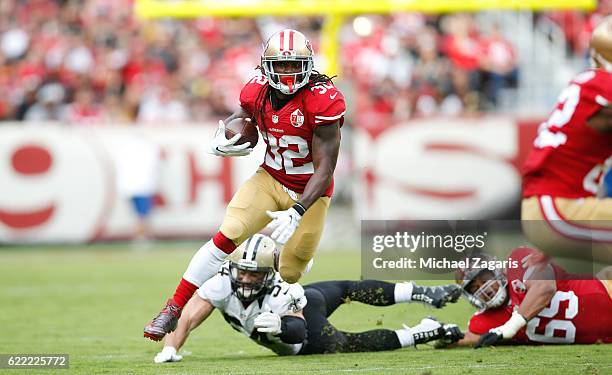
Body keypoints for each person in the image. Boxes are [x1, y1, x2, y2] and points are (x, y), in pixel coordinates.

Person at [144, 29, 347, 341]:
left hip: (311, 191)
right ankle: (172, 307)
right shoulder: (255, 91)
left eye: (296, 65)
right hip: (270, 178)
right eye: (282, 65)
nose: (289, 72)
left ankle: (280, 263)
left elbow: (326, 169)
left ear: (309, 66)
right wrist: (226, 134)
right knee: (228, 234)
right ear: (266, 65)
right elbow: (243, 117)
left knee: (291, 271)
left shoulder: (323, 101)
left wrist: (297, 211)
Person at [153, 234, 464, 362]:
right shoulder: (221, 285)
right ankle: (422, 310)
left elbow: (299, 332)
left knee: (348, 332)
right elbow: (189, 316)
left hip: (303, 330)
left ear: (269, 274)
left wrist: (280, 326)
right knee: (344, 291)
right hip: (305, 316)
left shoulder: (281, 290)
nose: (246, 279)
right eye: (242, 272)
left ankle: (422, 317)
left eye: (254, 274)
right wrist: (171, 347)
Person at [521, 15, 612, 263]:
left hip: (554, 207)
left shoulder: (591, 82)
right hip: (558, 208)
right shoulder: (604, 85)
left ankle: (581, 301)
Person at [450, 247, 612, 348]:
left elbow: (545, 287)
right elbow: (467, 338)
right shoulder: (487, 320)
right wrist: (438, 332)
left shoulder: (518, 263)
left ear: (497, 271)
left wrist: (512, 325)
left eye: (485, 280)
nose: (483, 290)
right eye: (474, 288)